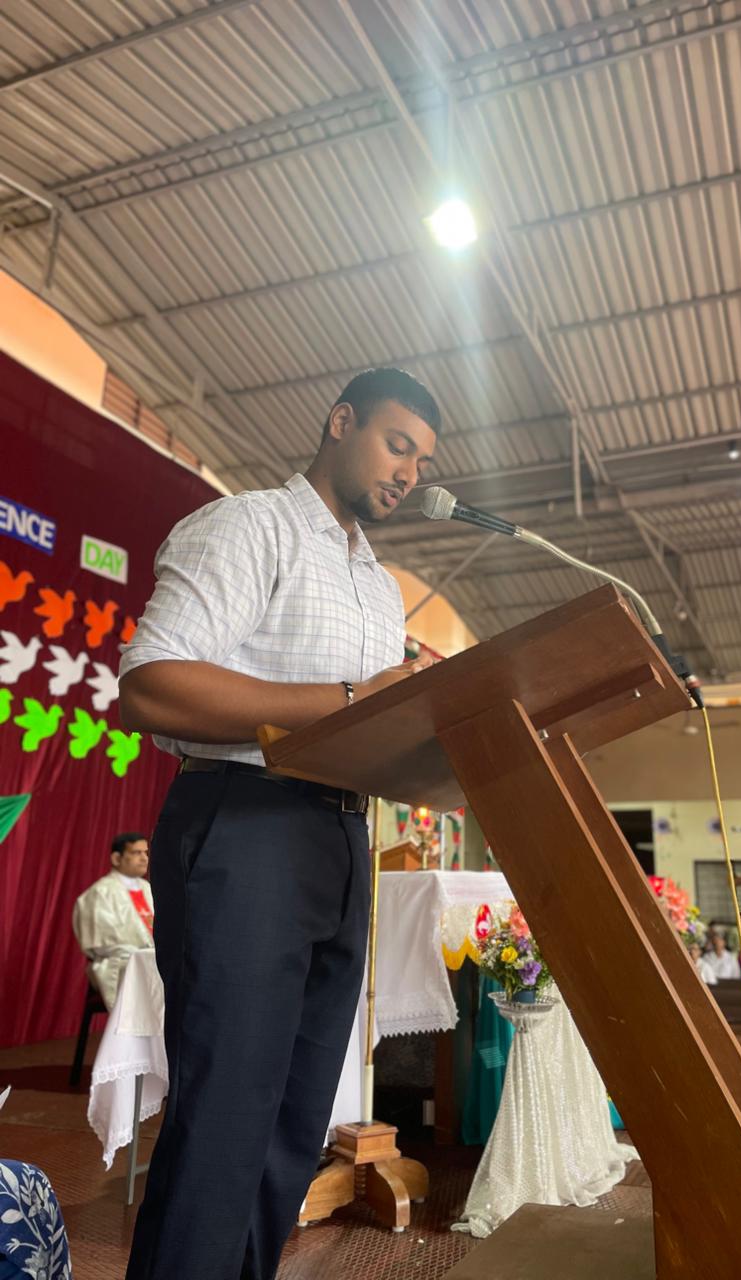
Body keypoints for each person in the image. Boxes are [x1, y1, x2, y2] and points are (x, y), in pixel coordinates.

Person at [118, 368, 441, 1280]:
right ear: (340, 423)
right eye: (397, 445)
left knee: (294, 1124)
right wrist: (353, 699)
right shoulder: (250, 526)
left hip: (342, 839)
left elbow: (366, 719)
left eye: (422, 462)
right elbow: (151, 683)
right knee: (227, 1112)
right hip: (248, 822)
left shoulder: (380, 587)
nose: (408, 473)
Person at [72, 832, 153, 1009]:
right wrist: (144, 955)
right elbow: (103, 944)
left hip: (150, 959)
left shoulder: (148, 889)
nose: (144, 858)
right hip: (118, 962)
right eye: (136, 853)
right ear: (117, 858)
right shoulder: (100, 893)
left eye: (145, 853)